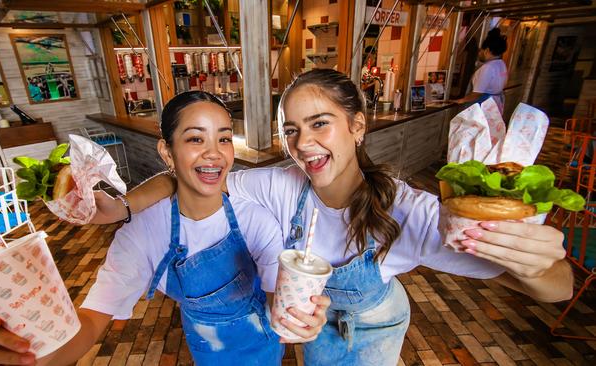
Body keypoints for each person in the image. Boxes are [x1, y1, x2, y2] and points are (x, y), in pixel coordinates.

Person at [66, 70, 570, 365]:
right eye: (292, 130)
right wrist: (122, 206)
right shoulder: (282, 183)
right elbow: (196, 177)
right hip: (315, 331)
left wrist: (536, 263)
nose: (303, 145)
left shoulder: (407, 211)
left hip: (374, 327)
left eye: (320, 124)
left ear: (357, 126)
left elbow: (556, 288)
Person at [0, 91, 329, 366]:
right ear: (167, 152)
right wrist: (39, 350)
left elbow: (274, 300)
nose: (214, 154)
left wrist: (299, 316)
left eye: (223, 138)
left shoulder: (255, 219)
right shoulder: (148, 229)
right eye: (194, 139)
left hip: (261, 343)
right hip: (206, 345)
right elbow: (93, 320)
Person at [456, 28, 509, 113]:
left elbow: (477, 94)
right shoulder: (501, 64)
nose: (479, 53)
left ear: (486, 51)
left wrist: (462, 100)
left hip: (483, 106)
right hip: (495, 104)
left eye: (481, 50)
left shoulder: (487, 68)